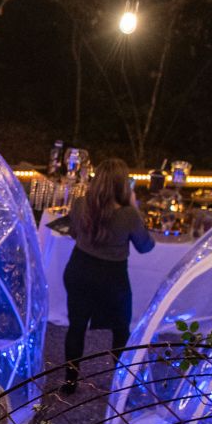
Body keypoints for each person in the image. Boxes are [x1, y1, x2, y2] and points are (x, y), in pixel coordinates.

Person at [61, 158, 155, 394]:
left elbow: (73, 232)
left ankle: (70, 382)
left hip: (79, 270)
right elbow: (146, 247)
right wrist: (134, 209)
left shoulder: (81, 204)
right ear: (123, 185)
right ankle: (120, 384)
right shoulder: (128, 215)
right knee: (121, 329)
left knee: (76, 327)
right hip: (112, 277)